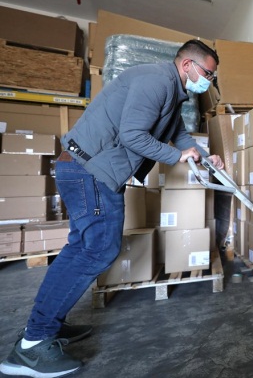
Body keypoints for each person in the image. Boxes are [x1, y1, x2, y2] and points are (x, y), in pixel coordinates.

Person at [0, 39, 224, 377]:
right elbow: (133, 135)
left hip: (89, 170)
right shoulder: (157, 81)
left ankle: (47, 326)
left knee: (83, 249)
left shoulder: (173, 92)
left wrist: (204, 156)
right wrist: (178, 157)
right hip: (89, 170)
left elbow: (178, 134)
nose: (209, 81)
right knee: (98, 250)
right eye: (208, 73)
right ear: (187, 65)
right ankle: (33, 344)